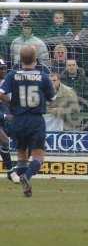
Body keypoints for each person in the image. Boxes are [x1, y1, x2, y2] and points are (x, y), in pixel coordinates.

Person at [0, 46, 56, 197]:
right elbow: (52, 100)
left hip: (17, 120)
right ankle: (26, 176)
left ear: (20, 59)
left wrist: (12, 102)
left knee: (21, 156)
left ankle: (20, 181)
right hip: (35, 120)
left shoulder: (12, 75)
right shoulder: (43, 77)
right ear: (36, 59)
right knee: (38, 156)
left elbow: (1, 93)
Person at [0, 59, 19, 183]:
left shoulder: (7, 82)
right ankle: (11, 172)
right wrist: (5, 116)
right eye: (0, 68)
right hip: (3, 117)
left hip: (5, 118)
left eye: (4, 68)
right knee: (4, 140)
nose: (3, 70)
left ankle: (14, 170)